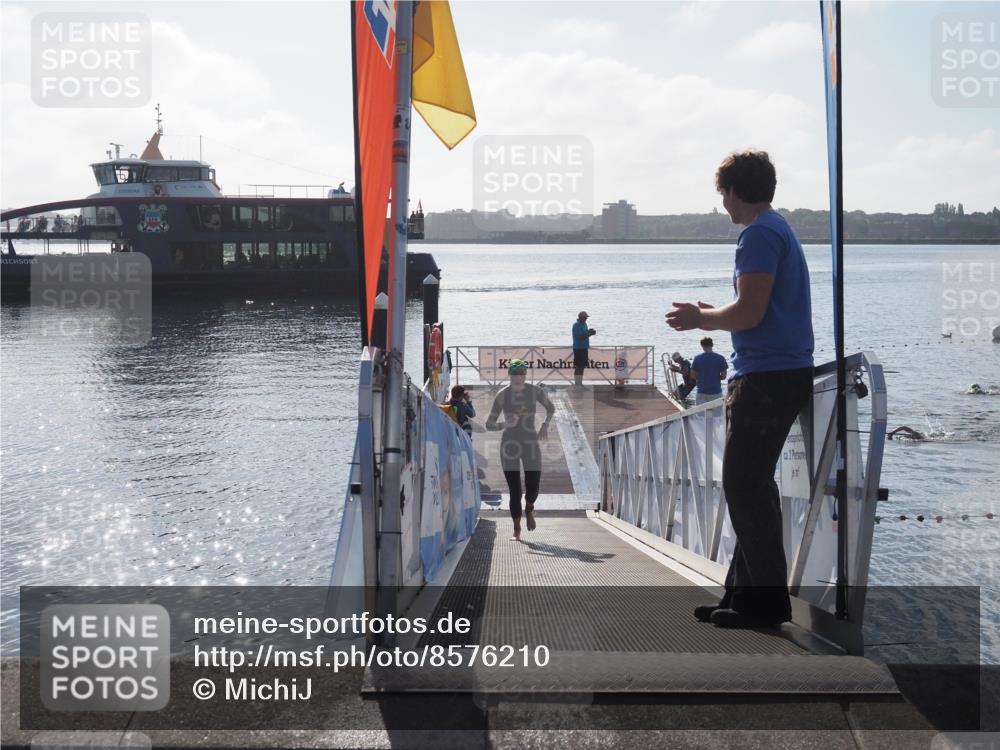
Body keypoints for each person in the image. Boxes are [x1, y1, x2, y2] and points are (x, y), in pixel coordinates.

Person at [666, 149, 814, 629]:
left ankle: (767, 605)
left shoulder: (757, 235)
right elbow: (756, 309)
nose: (722, 204)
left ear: (733, 191)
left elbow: (749, 314)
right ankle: (743, 596)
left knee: (743, 486)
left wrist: (699, 319)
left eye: (722, 194)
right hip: (778, 373)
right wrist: (717, 312)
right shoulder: (776, 228)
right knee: (752, 487)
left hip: (767, 378)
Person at [485, 359, 555, 541]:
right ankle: (516, 529)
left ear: (525, 375)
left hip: (530, 442)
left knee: (533, 485)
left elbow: (551, 408)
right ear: (510, 375)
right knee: (514, 489)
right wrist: (504, 424)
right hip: (509, 445)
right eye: (515, 374)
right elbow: (489, 424)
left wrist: (545, 425)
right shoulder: (502, 395)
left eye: (521, 373)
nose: (518, 377)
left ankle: (529, 508)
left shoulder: (535, 391)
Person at [690, 337, 728, 405]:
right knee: (717, 414)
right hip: (716, 391)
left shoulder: (697, 358)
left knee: (701, 415)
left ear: (702, 346)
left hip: (701, 391)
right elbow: (723, 376)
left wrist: (702, 378)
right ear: (712, 345)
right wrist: (714, 377)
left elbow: (692, 375)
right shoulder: (720, 358)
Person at [571, 312, 597, 387]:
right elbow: (580, 337)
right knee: (578, 366)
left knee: (582, 366)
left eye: (586, 317)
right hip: (578, 348)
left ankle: (580, 383)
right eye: (585, 317)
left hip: (584, 348)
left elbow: (584, 335)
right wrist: (589, 333)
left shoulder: (584, 324)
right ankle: (577, 383)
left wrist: (589, 333)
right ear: (580, 317)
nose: (586, 319)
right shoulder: (576, 325)